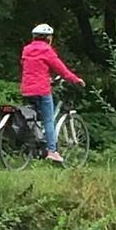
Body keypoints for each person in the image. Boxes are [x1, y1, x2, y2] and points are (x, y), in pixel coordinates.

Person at [21, 23, 85, 162]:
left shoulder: (26, 49)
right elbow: (61, 69)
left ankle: (33, 147)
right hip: (41, 90)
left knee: (34, 119)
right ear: (48, 38)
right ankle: (52, 151)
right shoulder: (46, 50)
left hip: (26, 89)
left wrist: (46, 77)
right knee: (48, 121)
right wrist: (75, 79)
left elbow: (31, 68)